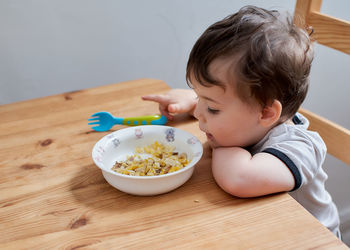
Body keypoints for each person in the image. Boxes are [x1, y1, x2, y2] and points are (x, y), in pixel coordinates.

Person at [142, 5, 340, 237]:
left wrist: (221, 144)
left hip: (311, 241)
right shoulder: (250, 121)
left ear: (266, 113)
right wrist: (192, 100)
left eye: (213, 108)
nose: (198, 113)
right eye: (199, 96)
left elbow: (239, 179)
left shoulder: (301, 148)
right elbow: (228, 104)